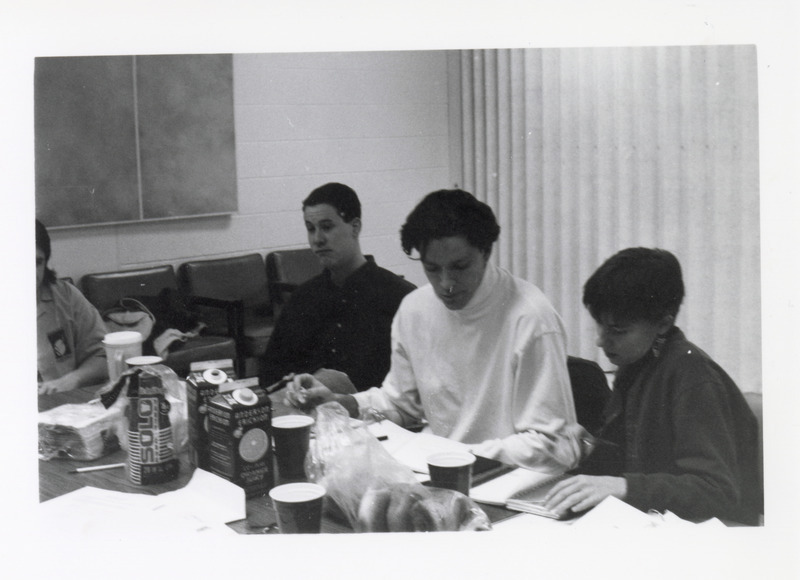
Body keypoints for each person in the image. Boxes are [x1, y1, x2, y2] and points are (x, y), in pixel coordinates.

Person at [286, 189, 585, 471]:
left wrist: (456, 457)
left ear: (486, 252)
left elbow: (553, 445)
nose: (446, 284)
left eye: (460, 266)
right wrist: (343, 404)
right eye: (432, 268)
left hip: (503, 480)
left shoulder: (531, 317)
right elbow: (400, 404)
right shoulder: (415, 309)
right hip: (436, 468)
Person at [544, 247, 763, 524]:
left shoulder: (693, 378)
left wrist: (624, 487)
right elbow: (636, 459)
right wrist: (589, 448)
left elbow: (716, 491)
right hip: (654, 523)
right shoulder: (636, 363)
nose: (600, 340)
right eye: (599, 326)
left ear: (663, 324)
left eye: (617, 330)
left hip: (712, 535)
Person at [260, 183, 416, 391]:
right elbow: (270, 374)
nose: (317, 239)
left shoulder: (399, 297)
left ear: (355, 227)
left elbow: (415, 386)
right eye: (310, 229)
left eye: (327, 227)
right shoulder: (303, 298)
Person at [37, 219, 108, 394]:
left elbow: (104, 355)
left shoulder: (66, 296)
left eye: (37, 262)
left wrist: (72, 380)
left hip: (62, 405)